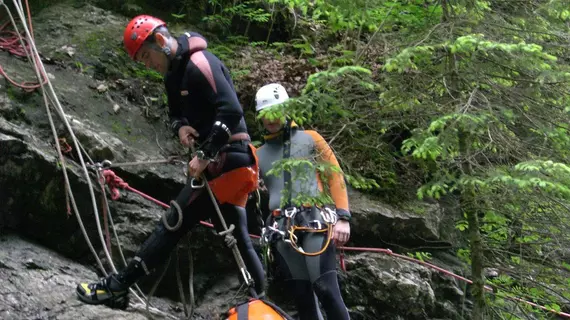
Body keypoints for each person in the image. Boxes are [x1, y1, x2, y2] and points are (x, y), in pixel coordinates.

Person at [76, 15, 265, 306]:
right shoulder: (173, 77)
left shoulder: (201, 63)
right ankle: (262, 301)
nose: (147, 64)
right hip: (226, 164)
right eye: (141, 61)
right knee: (237, 237)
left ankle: (117, 286)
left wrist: (204, 155)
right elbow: (176, 114)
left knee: (173, 220)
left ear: (161, 41)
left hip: (229, 160)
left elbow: (231, 112)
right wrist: (181, 128)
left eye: (147, 56)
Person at [254, 83, 351, 320]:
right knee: (303, 299)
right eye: (265, 114)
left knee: (326, 289)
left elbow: (334, 175)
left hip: (314, 222)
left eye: (276, 111)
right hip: (281, 230)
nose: (271, 119)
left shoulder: (311, 139)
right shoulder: (258, 154)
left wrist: (343, 217)